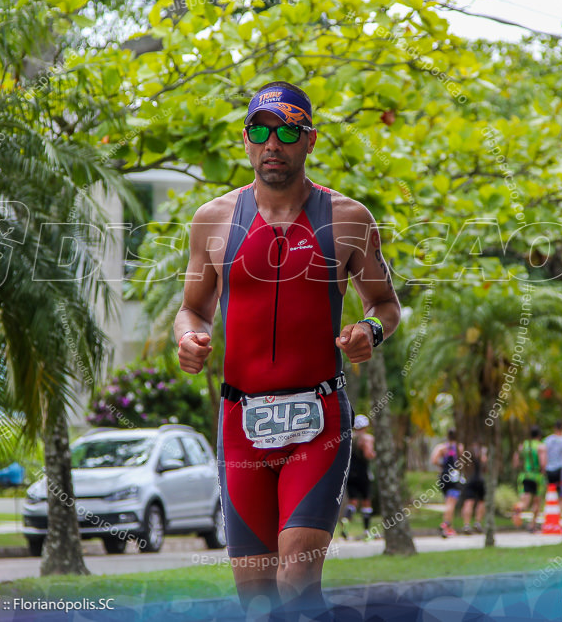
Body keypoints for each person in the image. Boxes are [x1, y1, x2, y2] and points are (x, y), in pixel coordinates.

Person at [175, 81, 401, 617]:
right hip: (241, 422)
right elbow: (192, 308)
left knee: (296, 573)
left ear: (309, 140)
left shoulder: (347, 218)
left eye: (287, 131)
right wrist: (187, 337)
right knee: (256, 597)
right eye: (260, 131)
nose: (272, 143)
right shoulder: (213, 219)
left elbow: (386, 304)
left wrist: (371, 332)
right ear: (247, 142)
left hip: (318, 417)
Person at [341, 414, 376, 540]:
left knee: (353, 502)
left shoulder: (348, 438)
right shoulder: (367, 439)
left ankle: (345, 522)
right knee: (366, 501)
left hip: (349, 473)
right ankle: (367, 531)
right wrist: (374, 454)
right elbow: (368, 454)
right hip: (363, 474)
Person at [430, 430, 464, 538]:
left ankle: (449, 528)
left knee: (447, 502)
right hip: (454, 477)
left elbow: (434, 460)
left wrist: (442, 466)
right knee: (451, 503)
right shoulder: (459, 447)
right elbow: (462, 462)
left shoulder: (441, 447)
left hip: (443, 476)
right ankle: (446, 524)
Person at [512, 425, 547, 532]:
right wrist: (543, 472)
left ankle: (519, 508)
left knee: (525, 501)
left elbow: (515, 462)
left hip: (524, 475)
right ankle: (532, 525)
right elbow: (543, 463)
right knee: (537, 502)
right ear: (539, 435)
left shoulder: (523, 446)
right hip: (536, 476)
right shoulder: (541, 447)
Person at [459, 441, 487, 535]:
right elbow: (484, 462)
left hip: (469, 480)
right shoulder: (482, 450)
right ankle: (477, 523)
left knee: (468, 502)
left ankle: (466, 525)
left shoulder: (465, 450)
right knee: (481, 502)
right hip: (479, 479)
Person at [542, 420, 562, 512]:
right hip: (561, 470)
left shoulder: (548, 440)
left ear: (555, 428)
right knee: (561, 495)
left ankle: (549, 511)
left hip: (549, 469)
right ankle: (558, 516)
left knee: (550, 492)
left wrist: (543, 468)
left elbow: (543, 454)